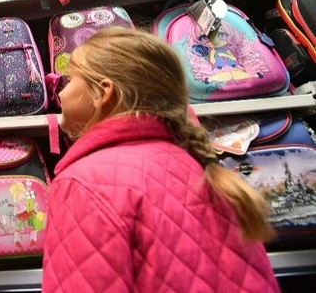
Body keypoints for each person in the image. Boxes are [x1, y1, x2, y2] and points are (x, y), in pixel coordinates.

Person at [41, 27, 280, 293]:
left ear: (102, 92)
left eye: (69, 80)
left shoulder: (83, 183)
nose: (60, 93)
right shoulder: (203, 168)